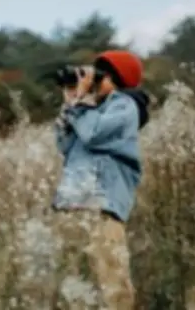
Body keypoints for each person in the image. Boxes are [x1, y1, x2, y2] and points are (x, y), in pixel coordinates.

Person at [52, 50, 150, 309]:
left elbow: (94, 135)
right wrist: (71, 103)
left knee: (113, 283)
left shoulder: (126, 106)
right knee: (76, 286)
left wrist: (83, 104)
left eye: (100, 76)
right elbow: (64, 145)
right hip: (74, 202)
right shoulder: (89, 110)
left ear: (117, 79)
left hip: (103, 205)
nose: (93, 80)